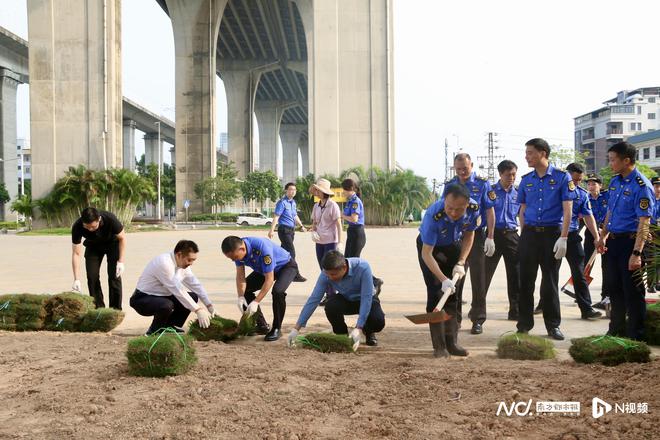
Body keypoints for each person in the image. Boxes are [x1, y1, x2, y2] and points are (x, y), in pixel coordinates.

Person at [517, 138, 576, 341]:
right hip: (530, 234)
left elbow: (568, 210)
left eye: (530, 153)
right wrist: (524, 234)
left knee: (549, 281)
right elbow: (522, 210)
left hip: (552, 234)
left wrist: (564, 237)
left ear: (543, 153)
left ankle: (553, 326)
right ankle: (524, 324)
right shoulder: (526, 180)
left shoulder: (562, 177)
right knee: (525, 280)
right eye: (526, 153)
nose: (527, 157)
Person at [596, 141, 653, 341]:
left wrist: (637, 253)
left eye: (613, 160)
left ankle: (635, 336)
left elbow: (644, 222)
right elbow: (610, 211)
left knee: (633, 292)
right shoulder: (614, 182)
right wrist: (602, 235)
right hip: (614, 242)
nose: (610, 164)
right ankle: (615, 330)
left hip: (631, 243)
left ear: (626, 160)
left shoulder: (641, 185)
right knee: (614, 288)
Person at [417, 183, 479, 357]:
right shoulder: (433, 216)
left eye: (458, 209)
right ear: (445, 200)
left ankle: (452, 343)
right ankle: (439, 346)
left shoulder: (474, 209)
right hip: (431, 249)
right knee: (437, 295)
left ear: (467, 204)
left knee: (453, 295)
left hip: (453, 245)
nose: (453, 212)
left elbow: (469, 234)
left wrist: (461, 261)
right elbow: (427, 254)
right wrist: (443, 279)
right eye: (449, 207)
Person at [287, 250, 385, 348]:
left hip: (367, 298)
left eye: (333, 274)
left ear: (344, 268)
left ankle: (367, 330)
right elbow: (314, 299)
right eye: (327, 274)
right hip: (347, 298)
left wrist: (358, 327)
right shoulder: (325, 274)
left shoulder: (363, 267)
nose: (330, 277)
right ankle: (342, 336)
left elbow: (366, 298)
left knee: (378, 322)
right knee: (331, 306)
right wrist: (296, 328)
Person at [444, 153, 496, 335]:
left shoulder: (482, 184)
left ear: (471, 165)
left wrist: (490, 235)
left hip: (476, 235)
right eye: (458, 169)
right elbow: (445, 210)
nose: (462, 172)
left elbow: (489, 211)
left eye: (465, 168)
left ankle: (478, 319)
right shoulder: (451, 184)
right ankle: (454, 318)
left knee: (478, 279)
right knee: (456, 278)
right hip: (455, 236)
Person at [221, 235, 298, 341]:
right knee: (246, 290)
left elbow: (269, 279)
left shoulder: (262, 248)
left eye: (234, 258)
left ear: (242, 249)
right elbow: (240, 276)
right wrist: (240, 296)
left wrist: (256, 302)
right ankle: (262, 326)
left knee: (278, 292)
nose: (233, 260)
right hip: (264, 270)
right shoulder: (237, 251)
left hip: (285, 267)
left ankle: (276, 328)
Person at [130, 240, 214, 335]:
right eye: (189, 259)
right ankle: (153, 332)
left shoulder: (183, 265)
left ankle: (169, 326)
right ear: (179, 255)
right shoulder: (164, 263)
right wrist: (198, 310)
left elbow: (196, 285)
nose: (191, 263)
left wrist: (209, 306)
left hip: (162, 297)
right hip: (142, 299)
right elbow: (178, 290)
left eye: (193, 260)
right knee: (166, 305)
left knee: (193, 296)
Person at [561, 163, 602, 320]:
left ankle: (587, 309)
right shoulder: (556, 191)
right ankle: (542, 305)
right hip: (554, 236)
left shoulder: (582, 194)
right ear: (567, 175)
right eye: (574, 179)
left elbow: (588, 217)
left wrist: (597, 238)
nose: (576, 183)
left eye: (579, 180)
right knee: (550, 272)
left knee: (579, 272)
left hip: (572, 236)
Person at [484, 160, 520, 321]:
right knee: (484, 274)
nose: (511, 178)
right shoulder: (490, 192)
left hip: (512, 235)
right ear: (500, 174)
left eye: (514, 174)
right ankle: (478, 310)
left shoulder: (518, 193)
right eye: (508, 175)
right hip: (493, 236)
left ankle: (515, 310)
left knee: (515, 275)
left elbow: (522, 215)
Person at [71, 207, 126, 309]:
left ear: (99, 219)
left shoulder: (110, 218)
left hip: (112, 243)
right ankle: (99, 309)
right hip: (93, 245)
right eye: (87, 227)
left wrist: (121, 261)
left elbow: (122, 238)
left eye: (93, 226)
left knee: (114, 275)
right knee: (92, 277)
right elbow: (76, 253)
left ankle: (115, 310)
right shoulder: (77, 226)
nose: (90, 229)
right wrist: (76, 279)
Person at [268, 182, 307, 282]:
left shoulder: (293, 203)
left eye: (294, 190)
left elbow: (295, 216)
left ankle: (273, 271)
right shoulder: (282, 202)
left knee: (282, 252)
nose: (293, 191)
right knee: (291, 252)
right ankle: (295, 274)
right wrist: (271, 230)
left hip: (291, 230)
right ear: (286, 190)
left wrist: (301, 226)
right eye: (291, 189)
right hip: (284, 230)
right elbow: (276, 216)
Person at [585, 174, 610, 309]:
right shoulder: (585, 198)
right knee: (587, 264)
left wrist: (603, 234)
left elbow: (612, 213)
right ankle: (582, 295)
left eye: (594, 184)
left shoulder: (607, 196)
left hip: (607, 234)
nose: (591, 186)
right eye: (589, 184)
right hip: (591, 234)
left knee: (607, 266)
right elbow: (584, 217)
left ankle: (605, 297)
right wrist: (596, 234)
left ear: (600, 185)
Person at [644, 176, 660, 293]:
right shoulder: (648, 200)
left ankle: (657, 282)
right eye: (656, 186)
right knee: (652, 258)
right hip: (651, 231)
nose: (658, 188)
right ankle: (651, 284)